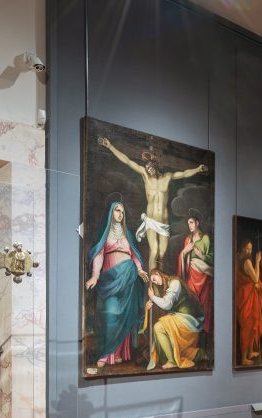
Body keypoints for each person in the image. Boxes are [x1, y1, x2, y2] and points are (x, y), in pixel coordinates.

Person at [97, 136, 208, 269]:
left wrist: (198, 169)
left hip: (164, 222)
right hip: (151, 221)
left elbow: (184, 174)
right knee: (154, 251)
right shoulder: (146, 177)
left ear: (155, 167)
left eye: (150, 167)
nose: (149, 169)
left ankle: (160, 280)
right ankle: (152, 281)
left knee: (162, 254)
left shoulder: (167, 177)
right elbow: (127, 161)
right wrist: (110, 146)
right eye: (147, 168)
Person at [85, 201, 148, 369]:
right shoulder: (105, 234)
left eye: (122, 211)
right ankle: (107, 353)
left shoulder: (127, 234)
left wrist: (139, 270)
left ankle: (118, 352)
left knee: (124, 315)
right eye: (117, 210)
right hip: (110, 279)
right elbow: (99, 255)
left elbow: (133, 255)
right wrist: (95, 276)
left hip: (128, 278)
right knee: (111, 314)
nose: (120, 214)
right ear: (111, 213)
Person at [145, 269, 204, 370]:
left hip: (189, 320)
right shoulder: (167, 286)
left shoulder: (174, 283)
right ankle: (172, 358)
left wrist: (153, 297)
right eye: (153, 282)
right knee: (160, 327)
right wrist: (148, 306)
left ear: (158, 273)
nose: (155, 283)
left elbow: (167, 304)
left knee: (158, 327)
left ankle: (172, 361)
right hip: (181, 318)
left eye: (154, 279)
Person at [177, 208, 213, 336]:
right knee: (192, 304)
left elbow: (213, 258)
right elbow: (182, 257)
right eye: (188, 223)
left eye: (191, 222)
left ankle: (203, 336)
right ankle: (192, 336)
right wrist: (184, 252)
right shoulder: (188, 240)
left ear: (197, 223)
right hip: (191, 277)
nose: (190, 226)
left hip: (204, 278)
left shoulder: (206, 239)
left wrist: (202, 256)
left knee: (204, 306)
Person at [235, 240, 262, 366]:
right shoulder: (247, 261)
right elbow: (255, 278)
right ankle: (243, 359)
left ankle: (250, 352)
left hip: (244, 296)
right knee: (247, 326)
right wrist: (257, 262)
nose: (249, 251)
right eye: (247, 248)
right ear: (242, 248)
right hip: (247, 298)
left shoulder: (237, 258)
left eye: (250, 249)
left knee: (252, 325)